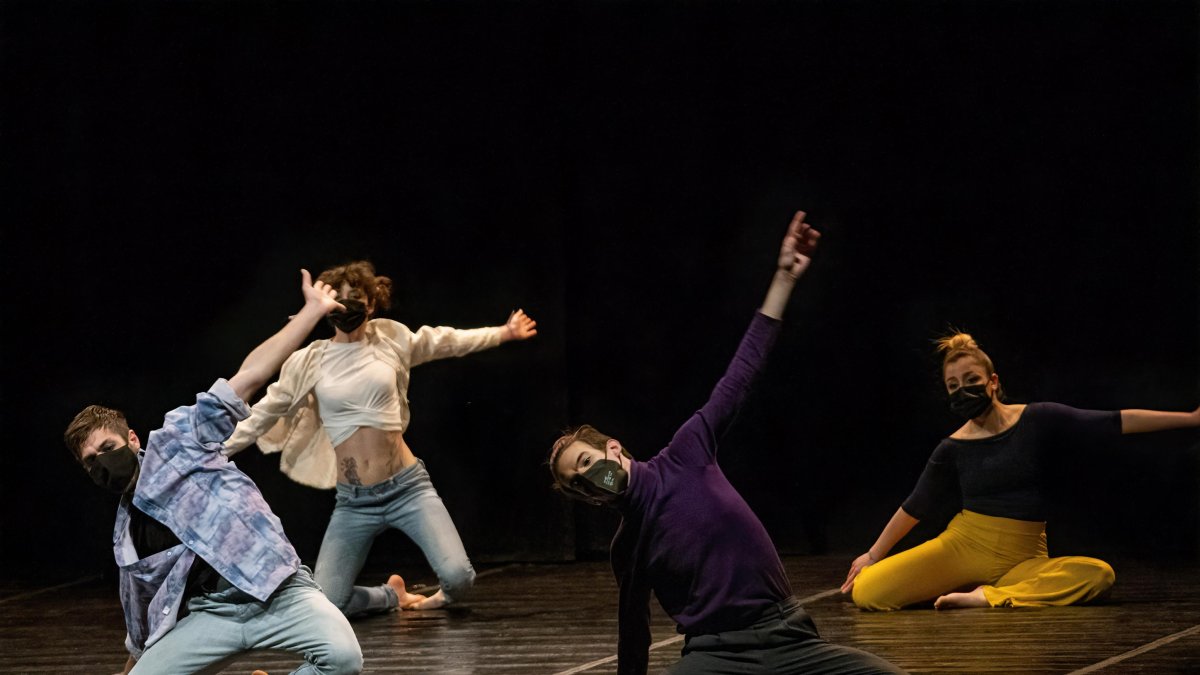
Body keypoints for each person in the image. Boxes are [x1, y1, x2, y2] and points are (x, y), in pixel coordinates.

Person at [548, 211, 905, 675]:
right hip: (715, 656)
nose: (583, 479)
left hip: (788, 636)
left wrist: (783, 278)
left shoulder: (687, 453)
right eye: (576, 484)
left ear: (612, 449)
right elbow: (632, 629)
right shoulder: (627, 545)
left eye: (582, 462)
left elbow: (741, 375)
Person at [63, 270, 363, 675]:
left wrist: (312, 312)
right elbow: (140, 619)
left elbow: (250, 376)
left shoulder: (179, 441)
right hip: (214, 616)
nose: (101, 463)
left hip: (278, 592)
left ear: (132, 439)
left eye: (107, 448)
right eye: (90, 461)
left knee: (343, 660)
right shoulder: (126, 536)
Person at [225, 260, 537, 614]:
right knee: (327, 604)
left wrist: (503, 333)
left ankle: (439, 596)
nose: (347, 306)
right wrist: (213, 448)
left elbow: (445, 341)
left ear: (372, 303)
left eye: (355, 298)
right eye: (338, 299)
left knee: (459, 579)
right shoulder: (311, 360)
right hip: (354, 502)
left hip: (407, 489)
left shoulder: (391, 340)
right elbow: (263, 414)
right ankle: (391, 596)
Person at [841, 333, 1200, 611]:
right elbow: (916, 505)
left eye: (971, 380)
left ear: (993, 381)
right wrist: (872, 555)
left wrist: (1190, 419)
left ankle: (989, 597)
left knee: (1098, 575)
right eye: (953, 386)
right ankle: (977, 590)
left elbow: (1112, 422)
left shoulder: (1037, 418)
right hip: (965, 545)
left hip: (1024, 555)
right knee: (869, 592)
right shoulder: (952, 446)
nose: (963, 390)